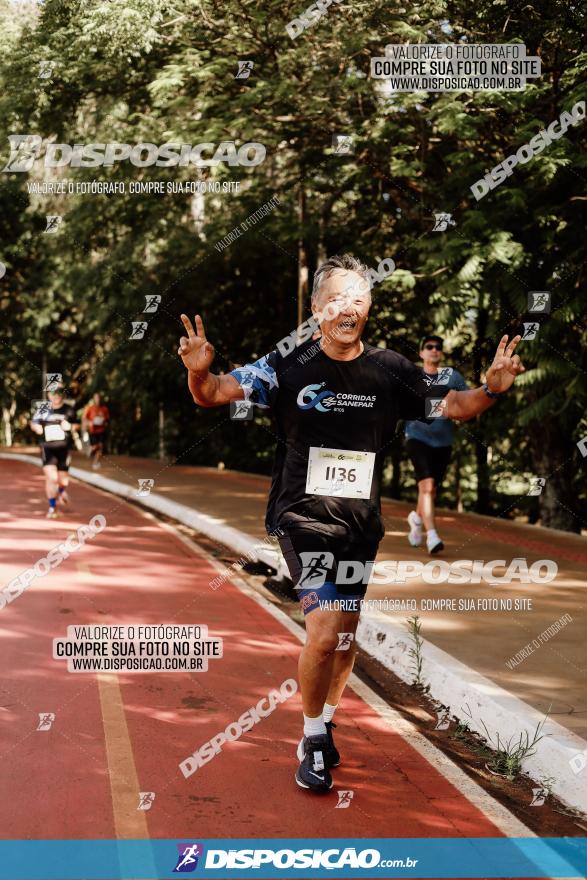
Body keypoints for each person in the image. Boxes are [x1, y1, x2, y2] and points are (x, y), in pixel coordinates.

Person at [178, 253, 525, 793]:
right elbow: (217, 393)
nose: (348, 309)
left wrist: (494, 388)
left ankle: (328, 715)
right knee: (323, 628)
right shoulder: (289, 364)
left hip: (360, 525)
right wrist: (200, 372)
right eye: (337, 298)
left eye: (358, 300)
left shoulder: (391, 370)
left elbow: (454, 405)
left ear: (368, 309)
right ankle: (312, 736)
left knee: (345, 635)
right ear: (316, 308)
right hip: (302, 519)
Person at [405, 335, 468, 554]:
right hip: (416, 437)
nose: (434, 350)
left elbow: (465, 402)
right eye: (429, 347)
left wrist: (461, 413)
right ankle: (432, 536)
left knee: (430, 491)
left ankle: (416, 519)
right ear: (421, 353)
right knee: (427, 486)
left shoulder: (452, 377)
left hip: (443, 441)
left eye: (438, 348)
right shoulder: (412, 376)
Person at [30, 385, 80, 518]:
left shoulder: (68, 410)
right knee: (52, 478)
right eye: (52, 393)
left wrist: (70, 426)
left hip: (64, 448)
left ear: (62, 394)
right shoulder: (44, 408)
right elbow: (33, 422)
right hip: (48, 447)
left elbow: (77, 424)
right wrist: (37, 428)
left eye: (58, 393)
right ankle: (52, 507)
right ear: (48, 395)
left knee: (63, 481)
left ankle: (61, 490)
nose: (55, 395)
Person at [82, 392, 110, 469]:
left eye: (99, 398)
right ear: (94, 399)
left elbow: (107, 420)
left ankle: (95, 462)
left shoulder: (104, 409)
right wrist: (89, 423)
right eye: (96, 398)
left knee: (100, 447)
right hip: (93, 431)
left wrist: (103, 421)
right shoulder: (90, 408)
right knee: (95, 446)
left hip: (101, 430)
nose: (98, 399)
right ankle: (91, 449)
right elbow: (84, 419)